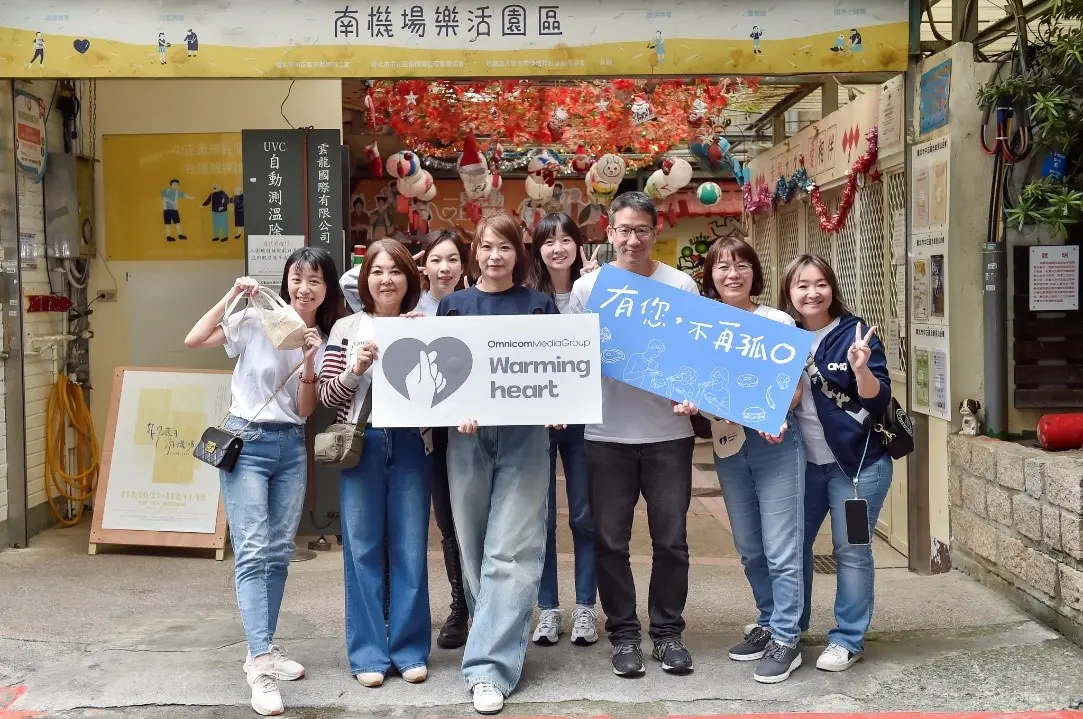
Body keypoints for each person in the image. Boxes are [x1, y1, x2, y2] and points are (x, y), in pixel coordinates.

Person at [184, 247, 341, 717]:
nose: (304, 287)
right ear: (287, 281)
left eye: (315, 280)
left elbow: (308, 411)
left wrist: (312, 360)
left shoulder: (323, 336)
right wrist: (233, 293)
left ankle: (264, 647)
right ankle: (259, 663)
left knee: (277, 554)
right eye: (298, 277)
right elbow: (195, 339)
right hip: (246, 442)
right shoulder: (254, 318)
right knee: (252, 550)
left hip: (291, 447)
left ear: (326, 289)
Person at [567, 191, 698, 678]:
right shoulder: (589, 288)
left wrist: (694, 394)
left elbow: (694, 354)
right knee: (609, 541)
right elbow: (572, 361)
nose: (632, 238)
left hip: (669, 433)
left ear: (655, 231)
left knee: (671, 542)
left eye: (642, 229)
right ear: (609, 231)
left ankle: (667, 633)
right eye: (624, 229)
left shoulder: (680, 284)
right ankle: (623, 634)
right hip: (606, 435)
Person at [437, 212, 558, 714]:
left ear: (519, 252)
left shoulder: (539, 306)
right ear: (475, 252)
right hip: (465, 439)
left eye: (504, 247)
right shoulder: (454, 306)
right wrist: (451, 410)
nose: (494, 256)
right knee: (472, 546)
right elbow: (440, 372)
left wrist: (558, 406)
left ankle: (488, 669)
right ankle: (495, 641)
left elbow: (557, 370)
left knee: (513, 549)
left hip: (526, 438)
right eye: (486, 247)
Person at [672, 236, 806, 684]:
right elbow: (697, 383)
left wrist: (778, 411)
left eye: (742, 265)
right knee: (750, 548)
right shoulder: (702, 324)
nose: (733, 274)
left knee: (782, 548)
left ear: (755, 272)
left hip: (776, 445)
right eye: (723, 266)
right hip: (728, 444)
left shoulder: (777, 320)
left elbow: (794, 388)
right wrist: (692, 403)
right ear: (709, 275)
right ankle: (768, 621)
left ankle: (788, 637)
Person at [317, 239, 432, 689]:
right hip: (362, 444)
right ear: (365, 281)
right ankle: (368, 652)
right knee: (362, 549)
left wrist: (422, 340)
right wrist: (354, 369)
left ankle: (409, 649)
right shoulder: (346, 328)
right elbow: (327, 397)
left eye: (396, 271)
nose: (386, 279)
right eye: (378, 271)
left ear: (409, 280)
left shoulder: (423, 326)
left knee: (409, 549)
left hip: (411, 445)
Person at [779, 254, 893, 673]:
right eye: (802, 285)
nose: (812, 292)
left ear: (832, 288)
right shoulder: (780, 333)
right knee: (792, 549)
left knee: (853, 551)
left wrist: (862, 368)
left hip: (859, 469)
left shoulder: (855, 333)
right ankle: (789, 629)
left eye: (820, 283)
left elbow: (877, 399)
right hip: (801, 467)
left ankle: (847, 639)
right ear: (789, 292)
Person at [528, 213, 598, 648]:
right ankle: (549, 609)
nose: (558, 248)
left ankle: (587, 607)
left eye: (565, 239)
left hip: (586, 419)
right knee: (543, 518)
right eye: (549, 240)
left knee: (585, 514)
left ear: (578, 244)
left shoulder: (596, 288)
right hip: (537, 421)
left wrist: (598, 285)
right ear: (536, 248)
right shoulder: (525, 295)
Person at [415, 229, 470, 649]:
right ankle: (459, 607)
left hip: (477, 430)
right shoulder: (410, 306)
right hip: (433, 436)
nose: (445, 268)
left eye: (452, 259)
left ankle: (483, 601)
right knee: (448, 521)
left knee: (479, 522)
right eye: (436, 260)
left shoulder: (474, 306)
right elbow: (350, 285)